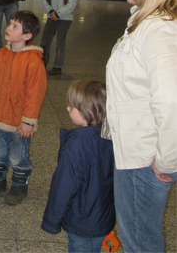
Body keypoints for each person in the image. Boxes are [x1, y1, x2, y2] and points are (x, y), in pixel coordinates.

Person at [104, 0, 177, 253]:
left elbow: (171, 99)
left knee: (139, 242)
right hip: (135, 152)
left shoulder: (158, 31)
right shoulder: (144, 22)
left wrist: (167, 160)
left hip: (144, 161)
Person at [0, 11, 47, 205]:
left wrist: (28, 121)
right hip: (0, 117)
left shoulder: (33, 62)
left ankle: (19, 186)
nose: (8, 28)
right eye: (10, 24)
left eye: (15, 26)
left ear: (27, 36)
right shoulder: (0, 55)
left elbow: (36, 94)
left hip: (19, 123)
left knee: (19, 157)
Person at [41, 81, 115, 253]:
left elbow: (64, 187)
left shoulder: (76, 146)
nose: (67, 109)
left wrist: (51, 221)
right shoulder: (111, 138)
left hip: (81, 220)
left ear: (87, 112)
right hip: (102, 216)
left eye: (72, 106)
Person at [40, 0, 78, 75]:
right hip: (51, 16)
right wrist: (50, 11)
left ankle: (58, 66)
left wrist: (58, 13)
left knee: (60, 43)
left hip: (65, 19)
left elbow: (72, 3)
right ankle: (43, 62)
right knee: (45, 41)